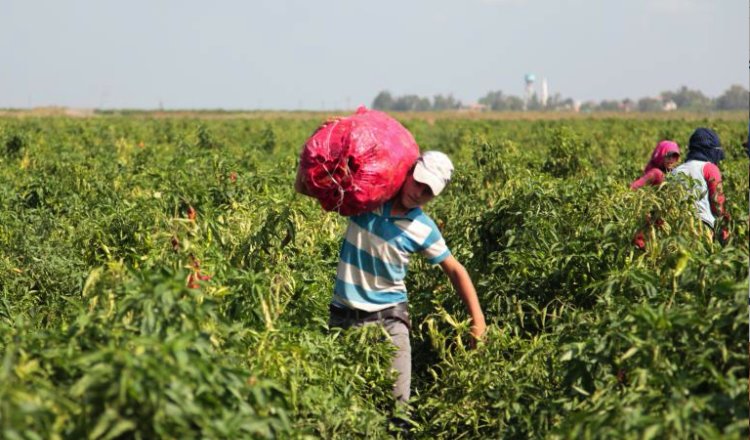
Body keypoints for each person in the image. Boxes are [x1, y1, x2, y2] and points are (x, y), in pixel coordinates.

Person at [324, 151, 486, 408]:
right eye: (417, 182)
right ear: (408, 171)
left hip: (390, 320)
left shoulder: (422, 227)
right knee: (340, 408)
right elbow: (319, 182)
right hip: (342, 317)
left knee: (398, 409)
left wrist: (478, 321)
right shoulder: (369, 198)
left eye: (427, 192)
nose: (418, 193)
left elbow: (455, 270)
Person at [672, 127, 730, 242]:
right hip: (702, 227)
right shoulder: (709, 168)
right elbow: (717, 201)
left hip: (677, 229)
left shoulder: (676, 171)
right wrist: (725, 225)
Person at [630, 140, 681, 249]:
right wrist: (643, 207)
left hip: (661, 219)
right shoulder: (656, 173)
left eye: (674, 156)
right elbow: (634, 187)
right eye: (668, 156)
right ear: (661, 156)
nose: (671, 160)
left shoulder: (672, 174)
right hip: (649, 218)